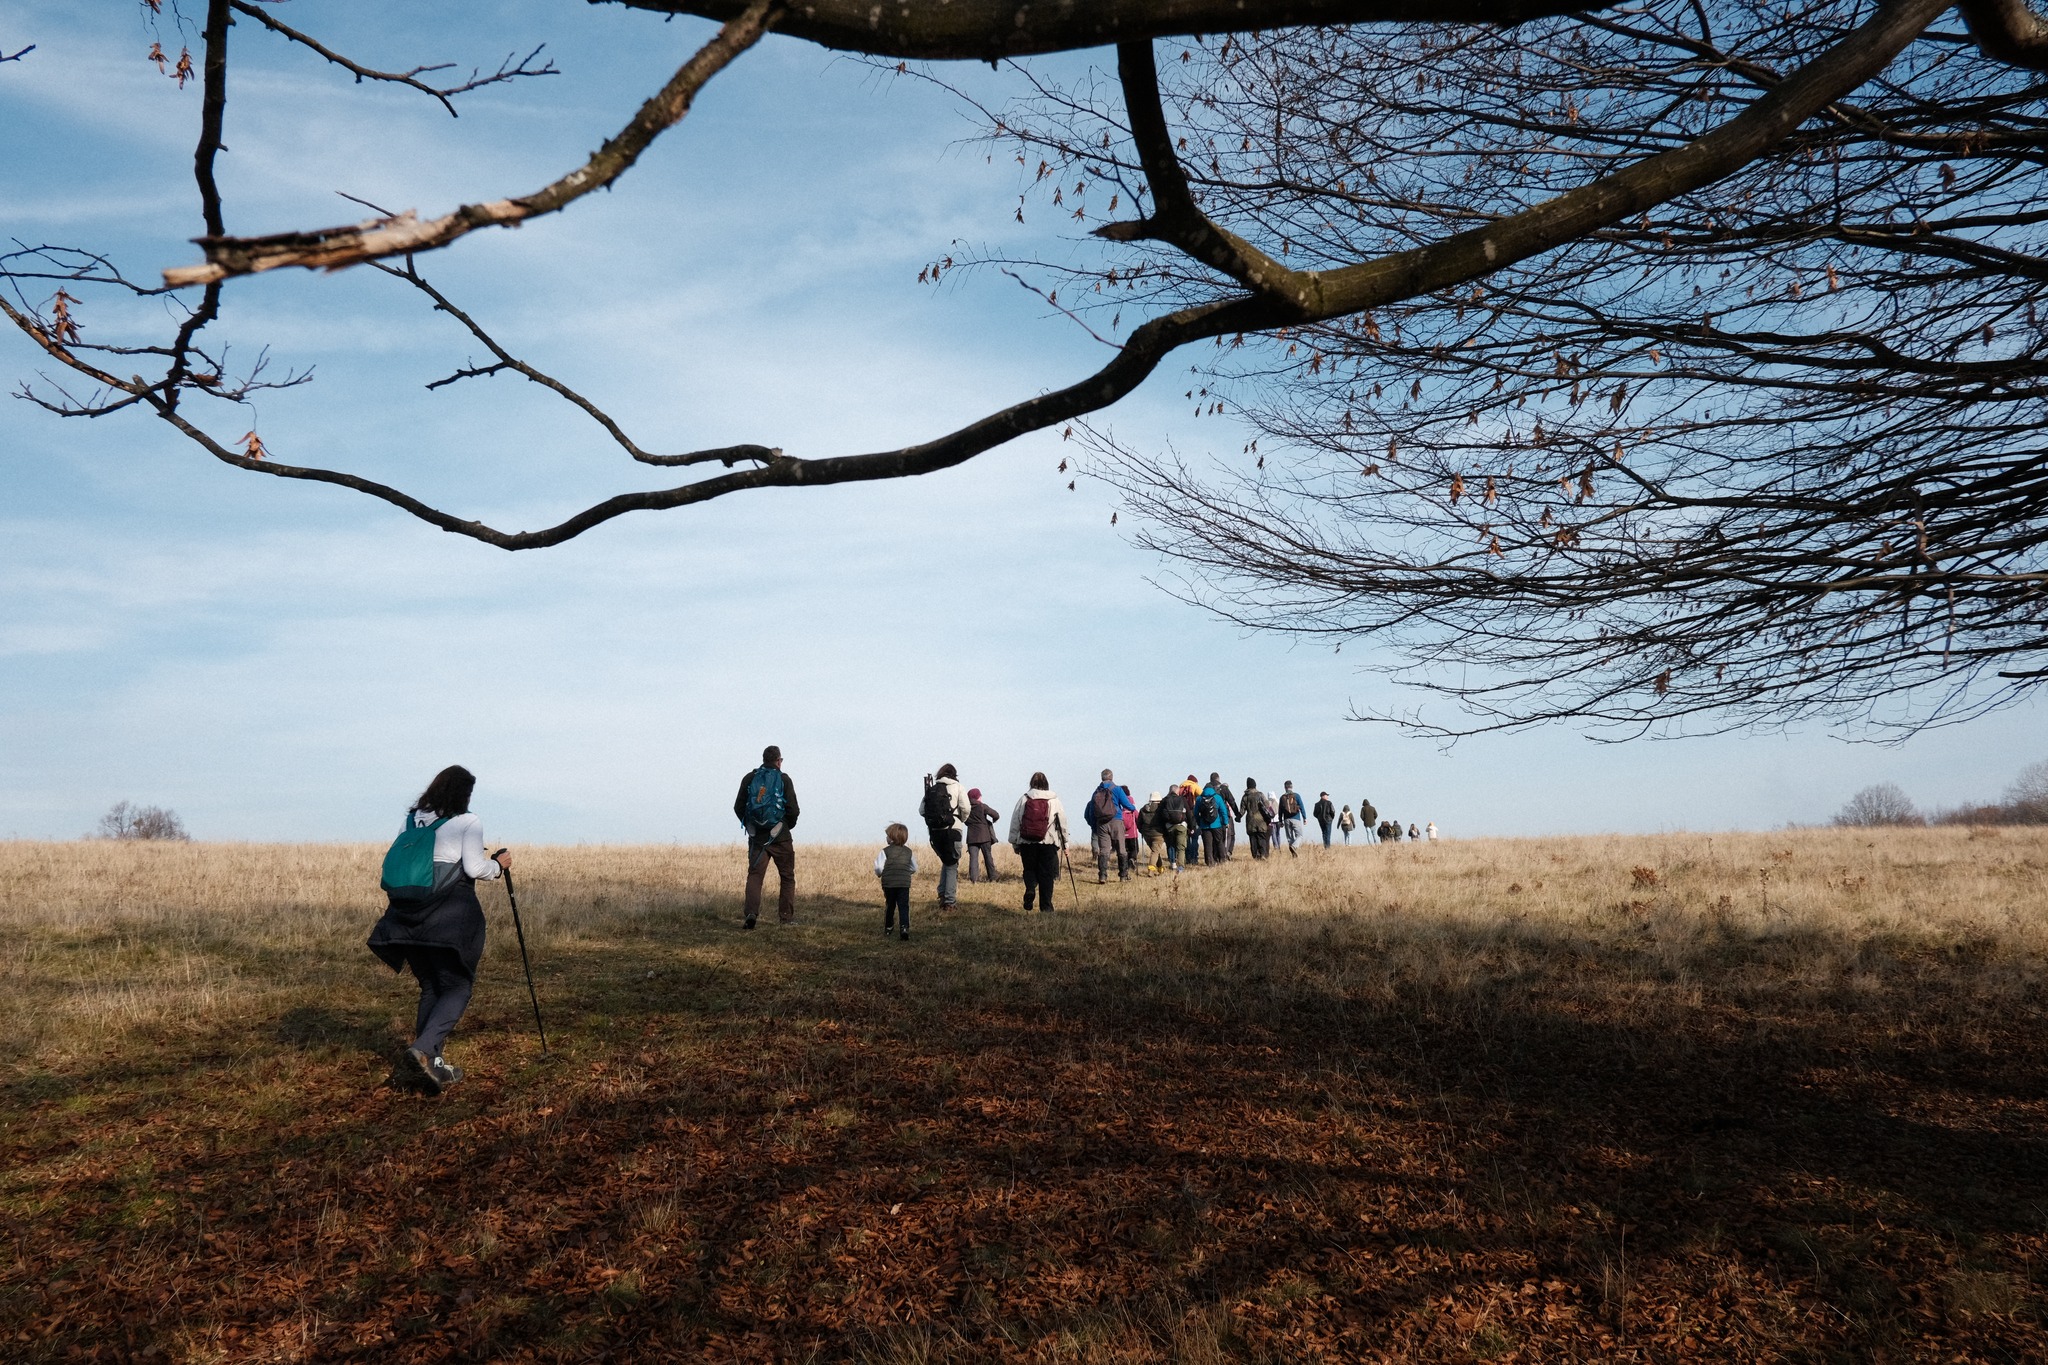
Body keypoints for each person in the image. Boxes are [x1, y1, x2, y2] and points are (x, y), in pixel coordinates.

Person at [367, 764, 510, 1094]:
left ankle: (432, 1066)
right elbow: (474, 868)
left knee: (431, 985)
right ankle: (422, 1051)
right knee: (458, 986)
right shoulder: (467, 821)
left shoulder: (412, 819)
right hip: (448, 917)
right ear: (464, 792)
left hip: (406, 917)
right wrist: (499, 867)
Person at [735, 745, 800, 927]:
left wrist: (751, 825)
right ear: (778, 761)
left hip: (757, 838)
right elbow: (793, 809)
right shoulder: (783, 779)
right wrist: (786, 826)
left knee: (755, 876)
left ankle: (751, 914)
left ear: (764, 759)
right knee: (787, 877)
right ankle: (785, 918)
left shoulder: (750, 778)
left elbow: (738, 807)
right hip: (781, 837)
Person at [1007, 772, 1069, 911]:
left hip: (1027, 841)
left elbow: (1015, 821)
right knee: (1046, 875)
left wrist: (1014, 842)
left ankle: (1030, 888)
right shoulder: (1054, 800)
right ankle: (1046, 907)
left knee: (1029, 869)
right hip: (1048, 842)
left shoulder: (1024, 799)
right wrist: (1066, 844)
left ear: (1031, 783)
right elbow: (1062, 823)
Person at [921, 763, 971, 909]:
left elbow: (921, 810)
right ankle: (949, 901)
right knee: (952, 864)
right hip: (952, 830)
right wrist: (961, 819)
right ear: (954, 774)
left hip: (935, 831)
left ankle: (942, 894)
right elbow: (966, 808)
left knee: (946, 861)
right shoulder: (958, 787)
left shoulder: (932, 789)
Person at [1085, 769, 1136, 882]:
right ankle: (1123, 875)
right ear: (1112, 777)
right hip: (1116, 821)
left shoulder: (1096, 791)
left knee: (1104, 850)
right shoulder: (1117, 789)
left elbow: (1092, 810)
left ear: (1101, 778)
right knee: (1121, 849)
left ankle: (1102, 875)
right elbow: (1126, 804)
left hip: (1101, 823)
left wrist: (1094, 826)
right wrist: (1133, 808)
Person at [874, 823, 917, 940]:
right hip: (904, 883)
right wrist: (906, 873)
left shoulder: (885, 851)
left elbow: (878, 867)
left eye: (887, 835)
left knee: (890, 904)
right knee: (904, 905)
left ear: (892, 837)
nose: (886, 838)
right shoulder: (909, 852)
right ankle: (904, 927)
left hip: (889, 883)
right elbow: (914, 868)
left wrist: (880, 874)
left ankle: (888, 926)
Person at [965, 787, 1002, 883]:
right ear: (977, 797)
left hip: (971, 837)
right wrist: (992, 821)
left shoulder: (966, 808)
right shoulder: (982, 806)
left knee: (973, 858)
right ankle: (992, 877)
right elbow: (996, 814)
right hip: (984, 836)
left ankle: (974, 879)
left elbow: (963, 819)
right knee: (988, 857)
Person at [1156, 782, 1191, 871]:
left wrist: (1162, 828)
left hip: (1169, 827)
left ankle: (1173, 864)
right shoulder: (1182, 799)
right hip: (1181, 826)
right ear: (1177, 791)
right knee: (1181, 847)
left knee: (1171, 845)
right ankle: (1180, 867)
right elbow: (1188, 813)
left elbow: (1159, 815)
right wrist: (1191, 826)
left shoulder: (1165, 800)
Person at [1196, 777, 1229, 865]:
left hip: (1204, 825)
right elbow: (1223, 811)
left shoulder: (1199, 799)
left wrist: (1199, 823)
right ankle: (1222, 859)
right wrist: (1225, 822)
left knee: (1208, 845)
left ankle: (1209, 862)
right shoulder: (1217, 797)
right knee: (1219, 842)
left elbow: (1195, 813)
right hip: (1216, 824)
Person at [1210, 773, 1242, 859]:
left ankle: (1215, 857)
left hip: (1210, 817)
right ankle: (1224, 855)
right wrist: (1237, 814)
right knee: (1226, 836)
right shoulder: (1223, 789)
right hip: (1223, 816)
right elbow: (1232, 801)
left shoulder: (1207, 789)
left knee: (1214, 838)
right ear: (1218, 779)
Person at [1137, 791, 1167, 874]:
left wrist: (1142, 831)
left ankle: (1160, 868)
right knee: (1155, 852)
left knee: (1155, 851)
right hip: (1158, 833)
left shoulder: (1143, 809)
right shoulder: (1161, 808)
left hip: (1146, 834)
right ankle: (1151, 870)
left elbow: (1139, 822)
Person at [1241, 779, 1271, 859]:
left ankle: (1255, 856)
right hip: (1261, 821)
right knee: (1261, 838)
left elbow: (1242, 811)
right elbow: (1267, 805)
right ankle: (1263, 854)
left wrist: (1238, 818)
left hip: (1250, 821)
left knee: (1253, 839)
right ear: (1255, 785)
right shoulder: (1260, 795)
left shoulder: (1245, 797)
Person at [1276, 782, 1307, 856]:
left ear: (1285, 787)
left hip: (1286, 819)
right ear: (1292, 787)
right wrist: (1304, 817)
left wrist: (1280, 821)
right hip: (1296, 818)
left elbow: (1280, 810)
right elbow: (1302, 807)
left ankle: (1293, 854)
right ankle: (1294, 846)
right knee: (1299, 835)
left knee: (1290, 838)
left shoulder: (1282, 797)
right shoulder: (1297, 796)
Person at [1120, 786, 1141, 872]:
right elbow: (1138, 819)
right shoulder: (1133, 810)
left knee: (1126, 850)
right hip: (1133, 834)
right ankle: (1132, 859)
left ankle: (1127, 865)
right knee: (1135, 849)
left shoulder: (1120, 811)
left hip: (1123, 834)